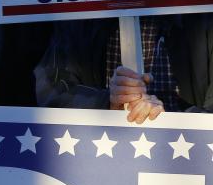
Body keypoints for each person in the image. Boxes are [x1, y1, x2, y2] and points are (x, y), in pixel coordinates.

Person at [35, 15, 213, 122]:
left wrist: (177, 122)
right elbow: (53, 89)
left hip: (188, 158)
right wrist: (108, 104)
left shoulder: (202, 11)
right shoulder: (80, 16)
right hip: (103, 153)